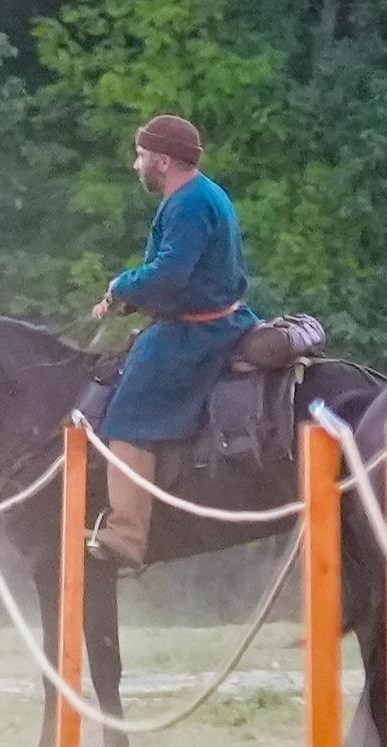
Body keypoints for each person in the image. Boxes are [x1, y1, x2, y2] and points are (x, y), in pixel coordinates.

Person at [87, 114, 259, 570]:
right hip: (214, 318)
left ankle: (126, 535)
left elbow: (171, 273)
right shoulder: (205, 193)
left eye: (141, 155)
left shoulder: (186, 203)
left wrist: (122, 285)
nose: (135, 164)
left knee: (127, 414)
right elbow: (181, 278)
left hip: (198, 333)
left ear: (162, 161)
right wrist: (130, 300)